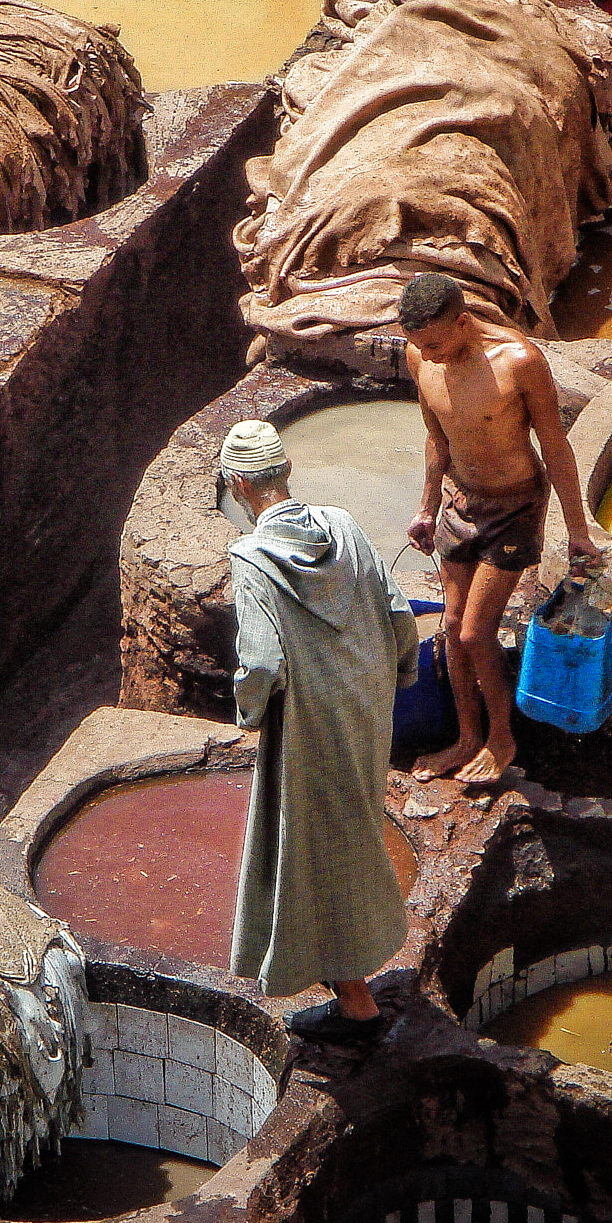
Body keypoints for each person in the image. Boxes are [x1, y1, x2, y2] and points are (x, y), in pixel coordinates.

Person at [219, 419, 419, 1043]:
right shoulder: (346, 526)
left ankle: (356, 1000)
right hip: (365, 703)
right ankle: (356, 969)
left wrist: (249, 713)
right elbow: (397, 611)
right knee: (355, 823)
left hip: (308, 722)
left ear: (240, 484)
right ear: (285, 473)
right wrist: (400, 673)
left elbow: (261, 664)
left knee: (310, 848)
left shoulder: (253, 561)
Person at [401, 272, 601, 786]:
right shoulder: (420, 356)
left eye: (438, 341)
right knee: (449, 629)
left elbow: (556, 446)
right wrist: (426, 508)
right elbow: (435, 439)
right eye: (420, 344)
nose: (431, 354)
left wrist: (578, 531)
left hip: (514, 506)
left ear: (464, 321)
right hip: (459, 500)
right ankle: (467, 737)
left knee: (474, 631)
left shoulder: (520, 362)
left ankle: (502, 738)